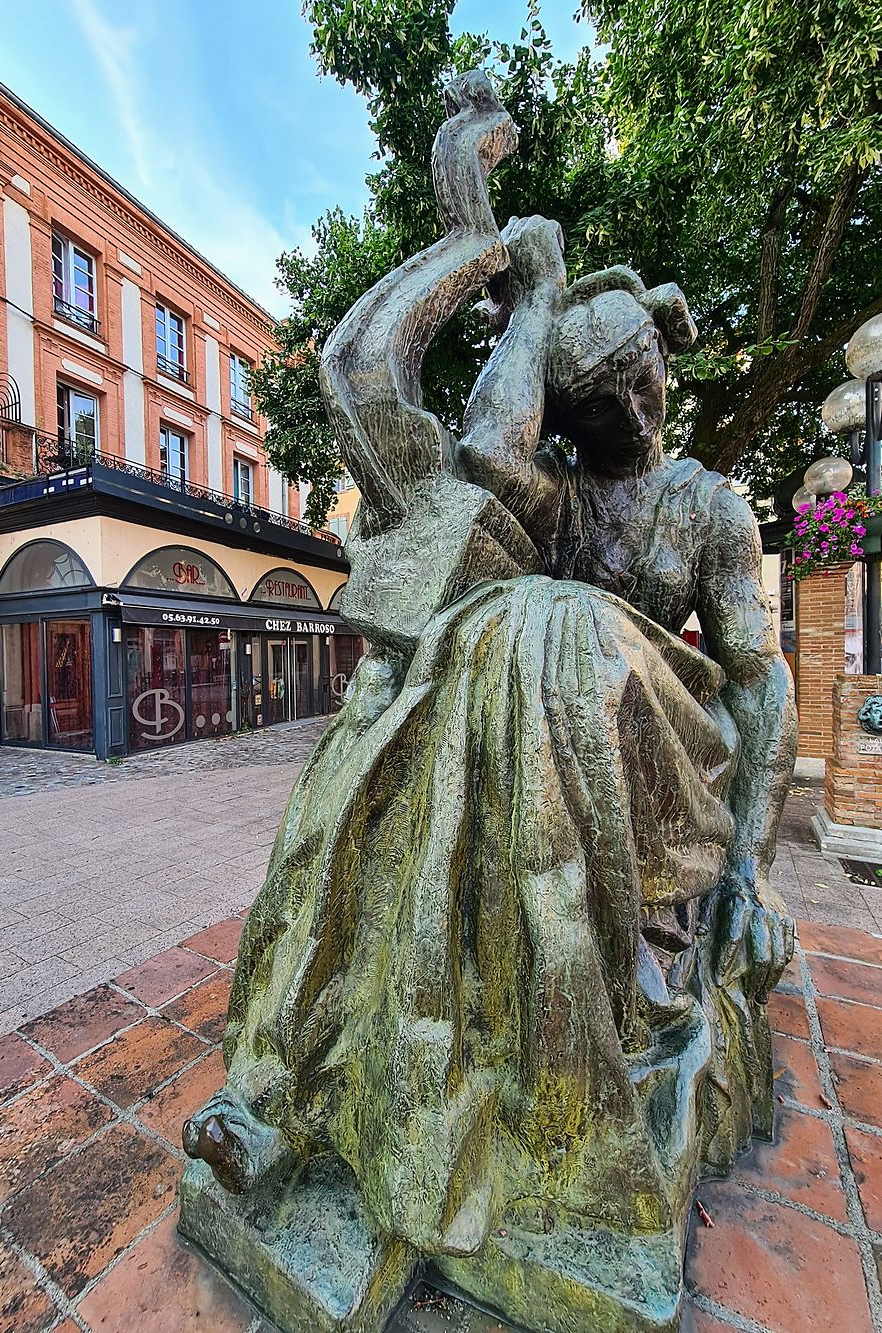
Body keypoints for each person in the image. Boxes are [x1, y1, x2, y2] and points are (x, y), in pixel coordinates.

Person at [182, 71, 797, 1331]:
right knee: (408, 698)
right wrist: (528, 290)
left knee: (537, 622)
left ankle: (506, 1115)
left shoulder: (711, 509)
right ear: (572, 413)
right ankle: (297, 1093)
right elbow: (482, 459)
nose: (632, 407)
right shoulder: (557, 496)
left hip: (645, 742)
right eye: (601, 394)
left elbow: (757, 680)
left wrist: (751, 866)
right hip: (529, 724)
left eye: (642, 381)